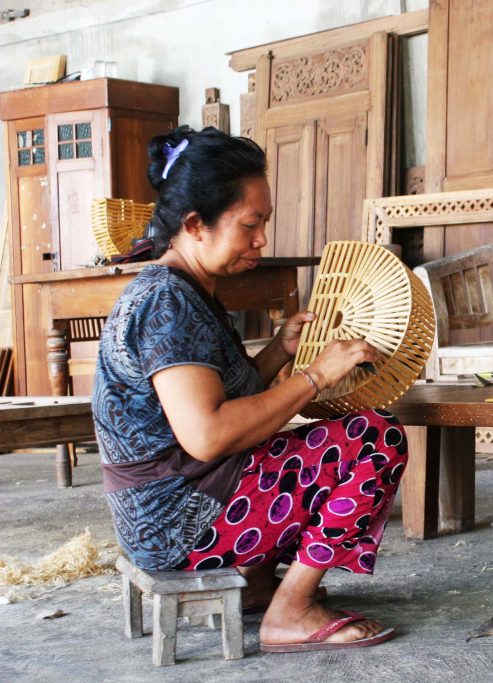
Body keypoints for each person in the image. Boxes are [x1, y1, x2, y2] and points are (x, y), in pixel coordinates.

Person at [92, 125, 406, 652]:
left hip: (179, 503)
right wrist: (315, 376)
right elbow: (209, 435)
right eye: (249, 224)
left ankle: (262, 582)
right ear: (195, 225)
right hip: (177, 525)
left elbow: (220, 400)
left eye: (265, 223)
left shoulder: (188, 291)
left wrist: (280, 352)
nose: (261, 239)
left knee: (324, 435)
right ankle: (291, 611)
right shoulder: (164, 304)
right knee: (374, 438)